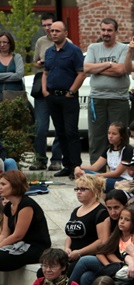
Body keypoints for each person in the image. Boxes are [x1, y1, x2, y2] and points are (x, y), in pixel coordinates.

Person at [70, 206, 134, 285]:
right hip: (114, 267)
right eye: (121, 218)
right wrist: (109, 266)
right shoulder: (118, 234)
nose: (122, 222)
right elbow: (101, 252)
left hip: (128, 270)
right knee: (86, 277)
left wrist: (118, 265)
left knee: (85, 260)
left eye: (127, 220)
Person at [84, 18, 131, 165]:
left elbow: (121, 70)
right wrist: (109, 64)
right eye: (103, 30)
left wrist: (97, 68)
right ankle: (95, 171)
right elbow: (86, 68)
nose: (106, 33)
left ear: (116, 32)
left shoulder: (124, 48)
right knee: (96, 137)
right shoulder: (93, 48)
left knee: (119, 136)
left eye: (109, 30)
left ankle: (118, 169)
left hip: (119, 99)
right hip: (97, 99)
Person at [43, 21, 85, 177]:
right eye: (52, 30)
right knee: (60, 132)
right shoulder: (49, 51)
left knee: (71, 132)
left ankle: (76, 167)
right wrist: (44, 90)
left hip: (68, 97)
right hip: (52, 96)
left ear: (65, 33)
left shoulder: (74, 51)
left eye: (57, 31)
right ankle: (67, 165)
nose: (53, 33)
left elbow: (81, 73)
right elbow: (45, 72)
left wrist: (71, 91)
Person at [29, 13, 63, 171]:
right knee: (40, 127)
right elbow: (35, 63)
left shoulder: (67, 43)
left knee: (59, 126)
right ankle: (40, 159)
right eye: (44, 25)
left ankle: (56, 159)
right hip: (42, 89)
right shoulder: (40, 42)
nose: (48, 28)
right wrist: (40, 63)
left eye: (50, 25)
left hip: (59, 88)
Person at [0, 171, 51, 271]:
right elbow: (4, 234)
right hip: (17, 245)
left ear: (15, 185)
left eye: (3, 184)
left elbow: (18, 235)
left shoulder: (26, 204)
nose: (0, 187)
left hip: (35, 248)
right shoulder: (8, 206)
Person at [64, 175, 111, 271]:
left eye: (83, 189)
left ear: (94, 191)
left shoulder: (101, 212)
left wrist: (79, 252)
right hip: (72, 255)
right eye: (77, 189)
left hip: (88, 256)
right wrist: (67, 248)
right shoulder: (76, 210)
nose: (78, 192)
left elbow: (102, 240)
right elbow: (70, 235)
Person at [74, 122, 134, 191]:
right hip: (109, 178)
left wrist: (95, 176)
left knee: (98, 181)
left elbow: (117, 173)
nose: (110, 136)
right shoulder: (108, 149)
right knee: (82, 173)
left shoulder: (127, 150)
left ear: (121, 136)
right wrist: (79, 167)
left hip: (122, 180)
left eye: (114, 134)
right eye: (109, 133)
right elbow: (94, 167)